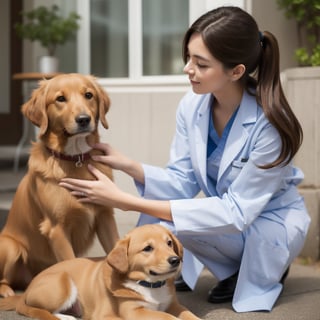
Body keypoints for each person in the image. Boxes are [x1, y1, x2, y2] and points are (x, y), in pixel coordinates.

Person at [60, 6, 310, 313]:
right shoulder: (193, 105)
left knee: (170, 221)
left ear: (236, 71)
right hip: (233, 222)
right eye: (188, 57)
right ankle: (225, 271)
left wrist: (126, 201)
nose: (187, 69)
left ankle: (261, 269)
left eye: (201, 63)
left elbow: (236, 212)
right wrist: (129, 165)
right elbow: (182, 180)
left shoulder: (269, 124)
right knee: (164, 224)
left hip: (269, 225)